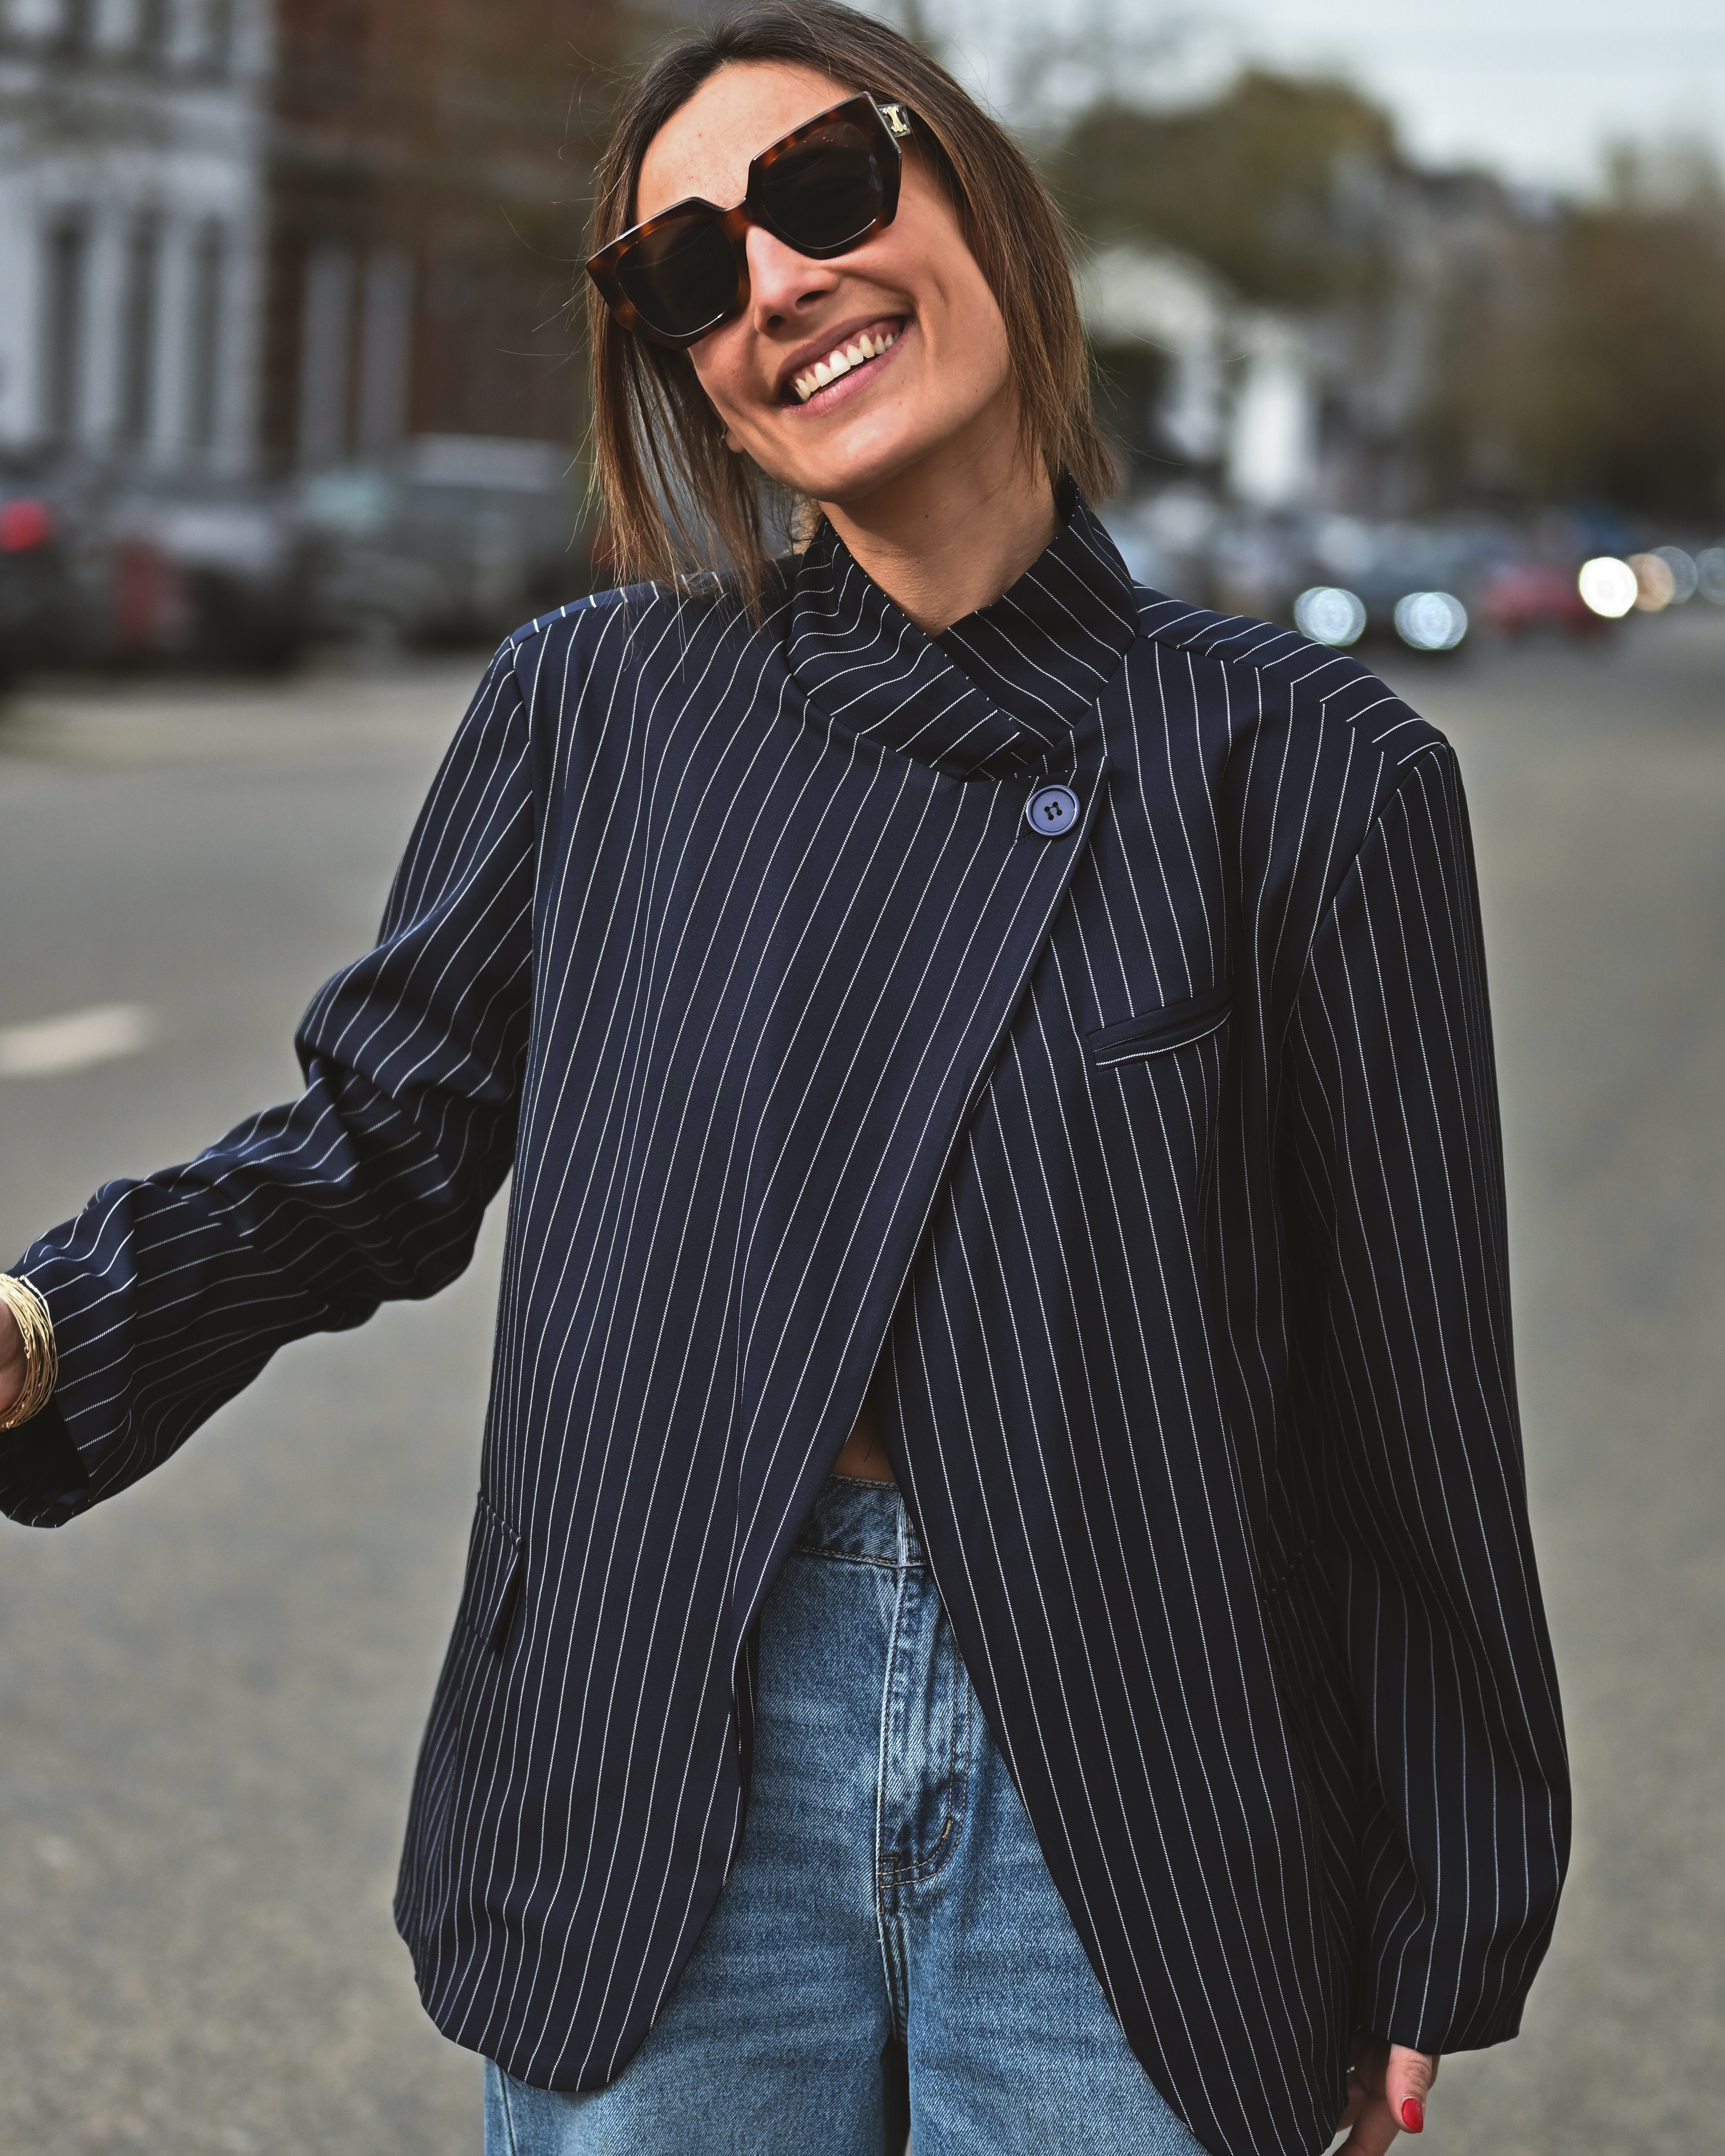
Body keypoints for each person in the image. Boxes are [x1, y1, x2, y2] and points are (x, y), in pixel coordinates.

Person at [0, 6, 1568, 2153]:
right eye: (686, 272)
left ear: (976, 196)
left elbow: (1408, 1389)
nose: (775, 285)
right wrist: (44, 1323)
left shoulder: (1312, 770)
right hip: (668, 1732)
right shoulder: (598, 708)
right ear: (676, 367)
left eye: (825, 188)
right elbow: (370, 1145)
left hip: (1134, 1766)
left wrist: (1440, 1899)